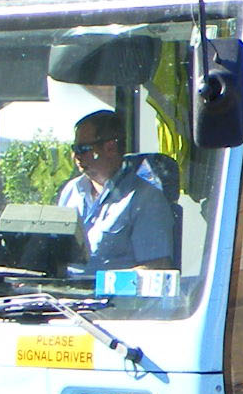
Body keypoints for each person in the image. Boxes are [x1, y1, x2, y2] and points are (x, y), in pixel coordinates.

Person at [56, 110, 176, 273]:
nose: (75, 156)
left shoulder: (145, 199)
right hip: (63, 294)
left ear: (110, 148)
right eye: (74, 148)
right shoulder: (71, 191)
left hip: (115, 297)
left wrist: (105, 284)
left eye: (82, 149)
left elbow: (156, 269)